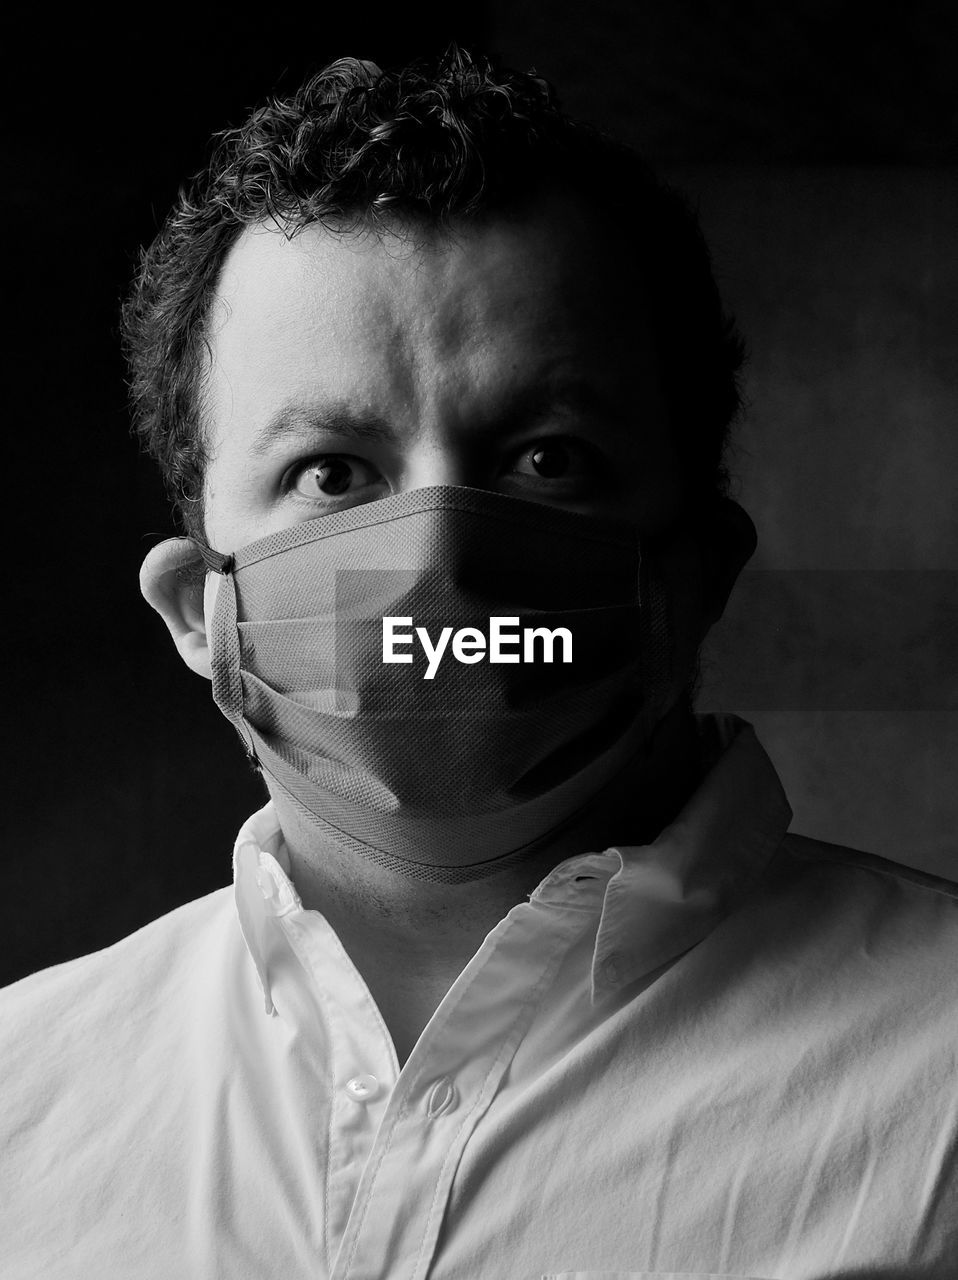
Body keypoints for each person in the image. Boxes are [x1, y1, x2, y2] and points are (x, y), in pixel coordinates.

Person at [1, 46, 955, 1280]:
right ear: (198, 608)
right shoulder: (22, 1105)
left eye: (547, 458)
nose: (441, 556)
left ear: (697, 570)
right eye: (333, 472)